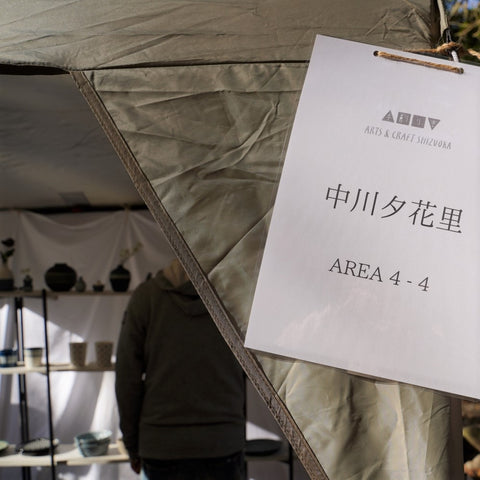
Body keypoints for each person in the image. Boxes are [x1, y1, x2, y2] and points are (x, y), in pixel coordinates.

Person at [115, 258, 246, 480]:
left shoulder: (145, 298)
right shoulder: (234, 299)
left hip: (162, 446)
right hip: (221, 444)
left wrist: (132, 444)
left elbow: (127, 378)